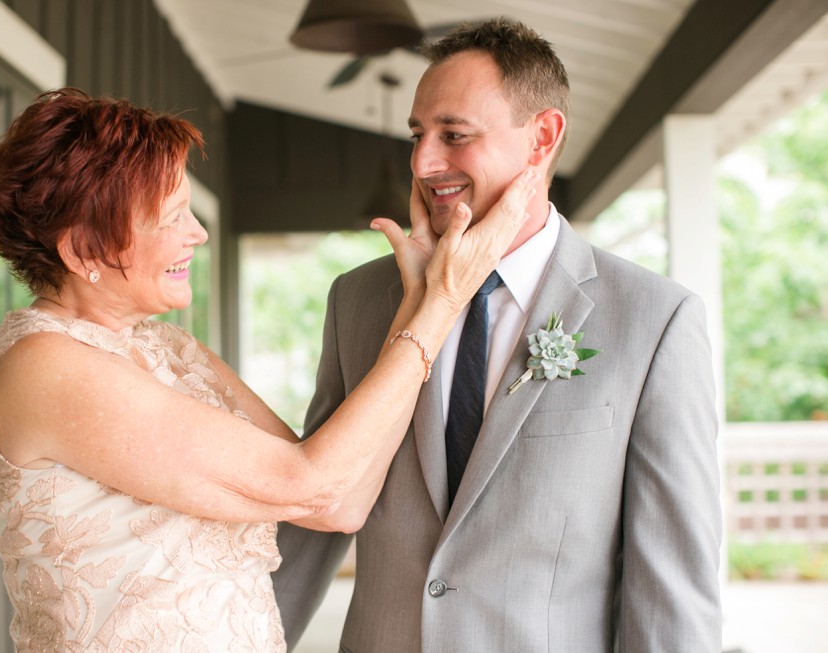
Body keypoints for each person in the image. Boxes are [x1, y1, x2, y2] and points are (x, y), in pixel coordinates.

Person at [0, 87, 536, 652]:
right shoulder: (43, 367)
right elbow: (309, 483)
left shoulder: (170, 347)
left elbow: (339, 502)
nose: (199, 233)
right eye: (171, 217)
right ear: (82, 251)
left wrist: (419, 300)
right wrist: (443, 302)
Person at [272, 17, 723, 652]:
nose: (425, 162)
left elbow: (672, 587)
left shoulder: (654, 320)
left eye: (454, 135)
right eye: (418, 135)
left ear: (542, 137)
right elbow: (312, 515)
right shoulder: (361, 300)